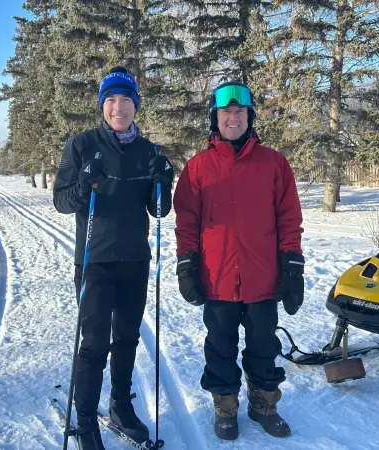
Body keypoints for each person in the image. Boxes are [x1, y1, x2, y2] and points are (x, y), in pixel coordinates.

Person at [172, 81, 305, 441]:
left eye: (240, 111)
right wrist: (186, 265)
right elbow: (186, 223)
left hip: (263, 277)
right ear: (214, 118)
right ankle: (225, 406)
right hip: (217, 278)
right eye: (226, 111)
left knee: (264, 345)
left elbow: (289, 219)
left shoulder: (274, 164)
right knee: (220, 347)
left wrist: (293, 267)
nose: (233, 117)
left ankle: (263, 405)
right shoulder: (197, 168)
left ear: (250, 116)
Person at [53, 66, 174, 450]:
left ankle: (121, 405)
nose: (118, 107)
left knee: (126, 339)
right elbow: (61, 201)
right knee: (93, 344)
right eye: (111, 100)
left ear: (136, 106)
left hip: (135, 261)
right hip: (95, 261)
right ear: (102, 105)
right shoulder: (81, 145)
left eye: (125, 100)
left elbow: (158, 210)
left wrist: (164, 182)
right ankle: (86, 422)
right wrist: (84, 181)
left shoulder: (149, 150)